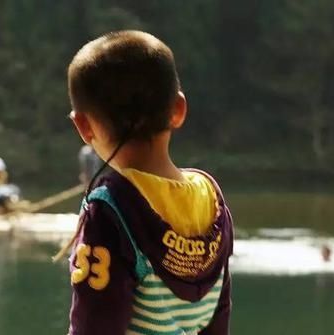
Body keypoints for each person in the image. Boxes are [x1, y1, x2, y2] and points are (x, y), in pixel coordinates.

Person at [59, 31, 234, 335]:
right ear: (178, 110)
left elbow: (94, 325)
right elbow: (218, 316)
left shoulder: (109, 209)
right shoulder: (211, 199)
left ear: (83, 126)